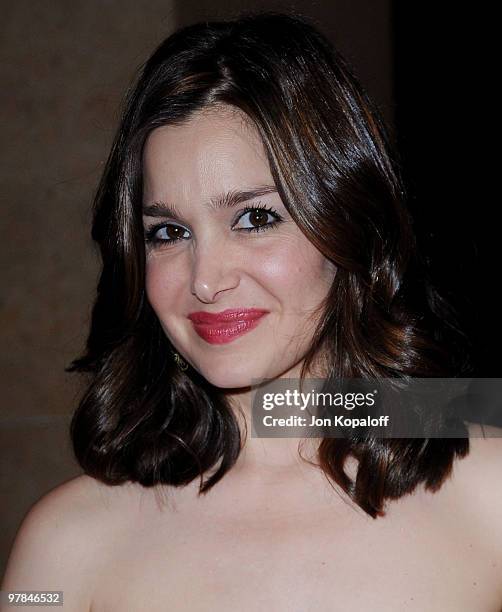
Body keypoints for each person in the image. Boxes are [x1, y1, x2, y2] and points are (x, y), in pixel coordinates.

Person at [2, 11, 502, 612]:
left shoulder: (488, 495)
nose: (206, 280)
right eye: (168, 232)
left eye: (256, 218)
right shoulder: (60, 550)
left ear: (349, 225)